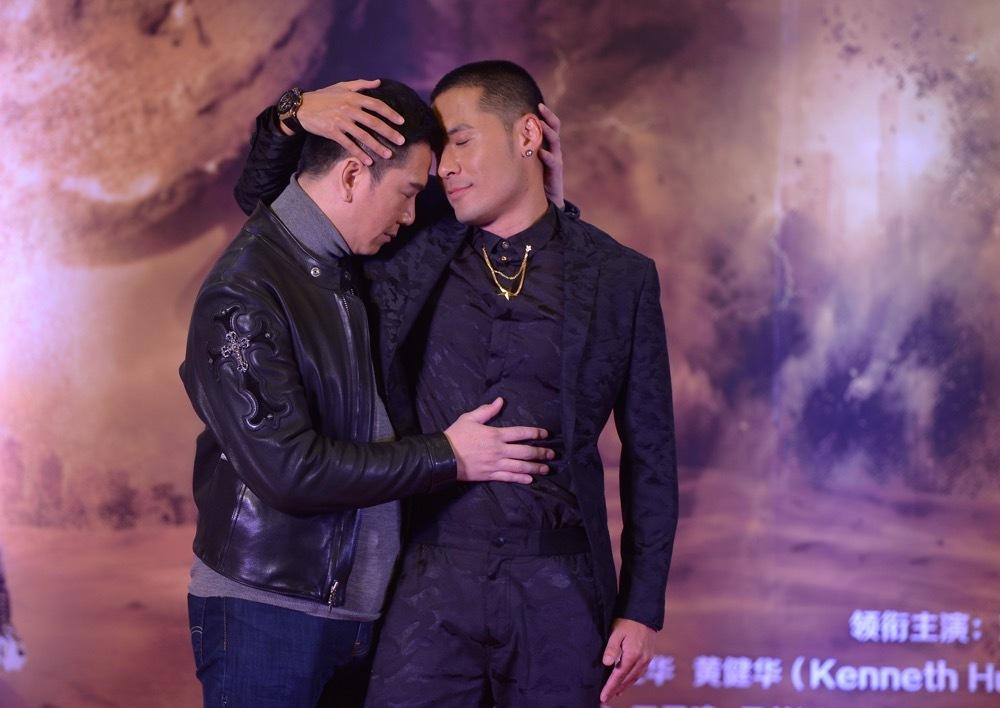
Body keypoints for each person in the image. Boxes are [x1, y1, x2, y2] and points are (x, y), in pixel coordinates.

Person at [236, 60, 679, 707]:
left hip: (559, 590)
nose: (445, 166)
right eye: (440, 150)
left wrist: (641, 607)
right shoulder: (405, 251)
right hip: (425, 583)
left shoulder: (618, 277)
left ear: (528, 135)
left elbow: (652, 455)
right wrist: (291, 115)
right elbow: (274, 211)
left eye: (462, 141)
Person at [180, 78, 554, 708]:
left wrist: (539, 185)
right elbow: (289, 470)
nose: (411, 216)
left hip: (357, 614)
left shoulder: (340, 258)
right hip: (267, 613)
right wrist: (448, 456)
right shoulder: (243, 292)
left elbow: (275, 193)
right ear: (353, 175)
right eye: (407, 193)